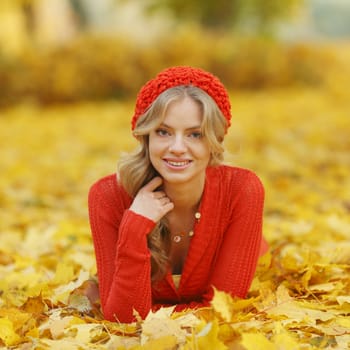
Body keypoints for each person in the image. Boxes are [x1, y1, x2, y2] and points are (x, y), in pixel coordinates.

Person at [88, 66, 268, 323]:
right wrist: (135, 228)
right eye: (164, 132)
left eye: (195, 134)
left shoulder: (242, 191)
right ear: (146, 135)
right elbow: (122, 318)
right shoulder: (107, 197)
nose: (177, 148)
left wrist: (152, 314)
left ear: (214, 140)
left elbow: (222, 311)